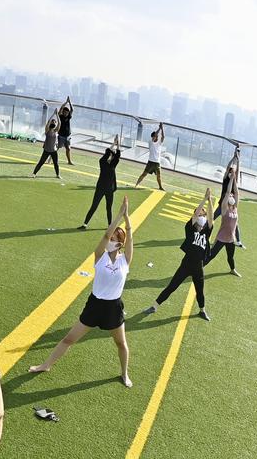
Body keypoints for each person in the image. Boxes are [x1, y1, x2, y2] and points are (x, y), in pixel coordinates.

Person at [30, 196, 134, 387]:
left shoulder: (125, 260)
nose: (110, 240)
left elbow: (129, 236)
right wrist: (119, 214)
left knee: (121, 343)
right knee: (69, 339)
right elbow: (104, 236)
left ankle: (124, 373)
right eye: (110, 238)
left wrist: (127, 220)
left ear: (120, 243)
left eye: (114, 239)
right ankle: (45, 365)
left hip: (113, 307)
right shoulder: (99, 256)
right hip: (95, 304)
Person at [141, 187, 213, 321]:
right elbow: (196, 213)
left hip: (199, 267)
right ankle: (154, 306)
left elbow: (211, 217)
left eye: (204, 215)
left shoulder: (206, 232)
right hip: (186, 265)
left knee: (200, 291)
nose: (203, 217)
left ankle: (202, 310)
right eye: (200, 215)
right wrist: (204, 200)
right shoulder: (190, 229)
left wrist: (210, 200)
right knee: (172, 286)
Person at [79, 135, 121, 229]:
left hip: (108, 190)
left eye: (112, 155)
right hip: (101, 189)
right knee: (94, 206)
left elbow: (118, 154)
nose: (112, 156)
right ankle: (85, 224)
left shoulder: (111, 164)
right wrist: (114, 144)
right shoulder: (102, 161)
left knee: (108, 208)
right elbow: (108, 152)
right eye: (111, 154)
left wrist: (117, 144)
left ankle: (110, 225)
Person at [205, 174, 241, 278]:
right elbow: (229, 191)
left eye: (232, 196)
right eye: (229, 196)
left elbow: (236, 192)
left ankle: (232, 270)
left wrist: (234, 180)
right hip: (221, 238)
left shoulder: (235, 208)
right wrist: (230, 181)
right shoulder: (225, 208)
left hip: (231, 239)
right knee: (211, 256)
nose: (231, 196)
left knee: (230, 257)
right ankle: (197, 268)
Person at [135, 123, 166, 190]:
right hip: (151, 162)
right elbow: (155, 134)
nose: (157, 137)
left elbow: (163, 137)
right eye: (155, 136)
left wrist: (162, 128)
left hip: (157, 162)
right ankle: (136, 184)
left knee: (159, 176)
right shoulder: (150, 142)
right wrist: (159, 128)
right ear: (153, 137)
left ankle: (160, 187)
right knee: (144, 174)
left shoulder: (159, 143)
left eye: (157, 136)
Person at [31, 112, 61, 179]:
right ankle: (34, 173)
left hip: (54, 151)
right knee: (41, 162)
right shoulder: (47, 130)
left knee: (56, 163)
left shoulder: (56, 131)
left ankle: (58, 175)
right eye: (52, 122)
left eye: (54, 122)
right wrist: (53, 114)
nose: (53, 123)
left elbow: (59, 123)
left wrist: (57, 115)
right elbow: (48, 123)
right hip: (47, 150)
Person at [57, 97, 74, 165]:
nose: (66, 113)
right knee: (57, 148)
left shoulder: (68, 117)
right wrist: (65, 103)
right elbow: (61, 109)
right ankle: (50, 158)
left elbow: (72, 110)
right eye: (65, 112)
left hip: (67, 136)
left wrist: (69, 102)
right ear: (63, 112)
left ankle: (69, 161)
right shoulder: (60, 116)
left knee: (68, 148)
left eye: (67, 112)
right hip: (61, 136)